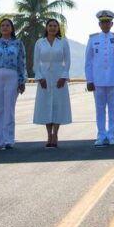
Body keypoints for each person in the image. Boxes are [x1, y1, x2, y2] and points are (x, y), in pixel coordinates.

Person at [85, 10, 114, 147]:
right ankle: (101, 135)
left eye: (107, 22)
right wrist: (89, 80)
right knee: (99, 109)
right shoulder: (93, 39)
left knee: (113, 109)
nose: (105, 24)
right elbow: (89, 62)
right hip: (97, 80)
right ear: (99, 24)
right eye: (103, 22)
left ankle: (112, 135)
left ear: (112, 23)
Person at [0, 18, 27, 149]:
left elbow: (22, 62)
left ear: (12, 28)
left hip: (12, 75)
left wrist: (22, 80)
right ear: (0, 28)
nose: (5, 27)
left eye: (7, 25)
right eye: (3, 25)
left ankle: (9, 139)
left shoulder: (18, 43)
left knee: (9, 108)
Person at [33, 18, 72, 148]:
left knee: (57, 106)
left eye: (55, 26)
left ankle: (55, 134)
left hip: (58, 76)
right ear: (46, 27)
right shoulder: (40, 42)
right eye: (50, 25)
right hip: (44, 76)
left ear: (58, 28)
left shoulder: (63, 42)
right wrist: (39, 77)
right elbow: (36, 62)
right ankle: (48, 134)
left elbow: (67, 62)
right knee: (46, 106)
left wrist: (64, 76)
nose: (52, 28)